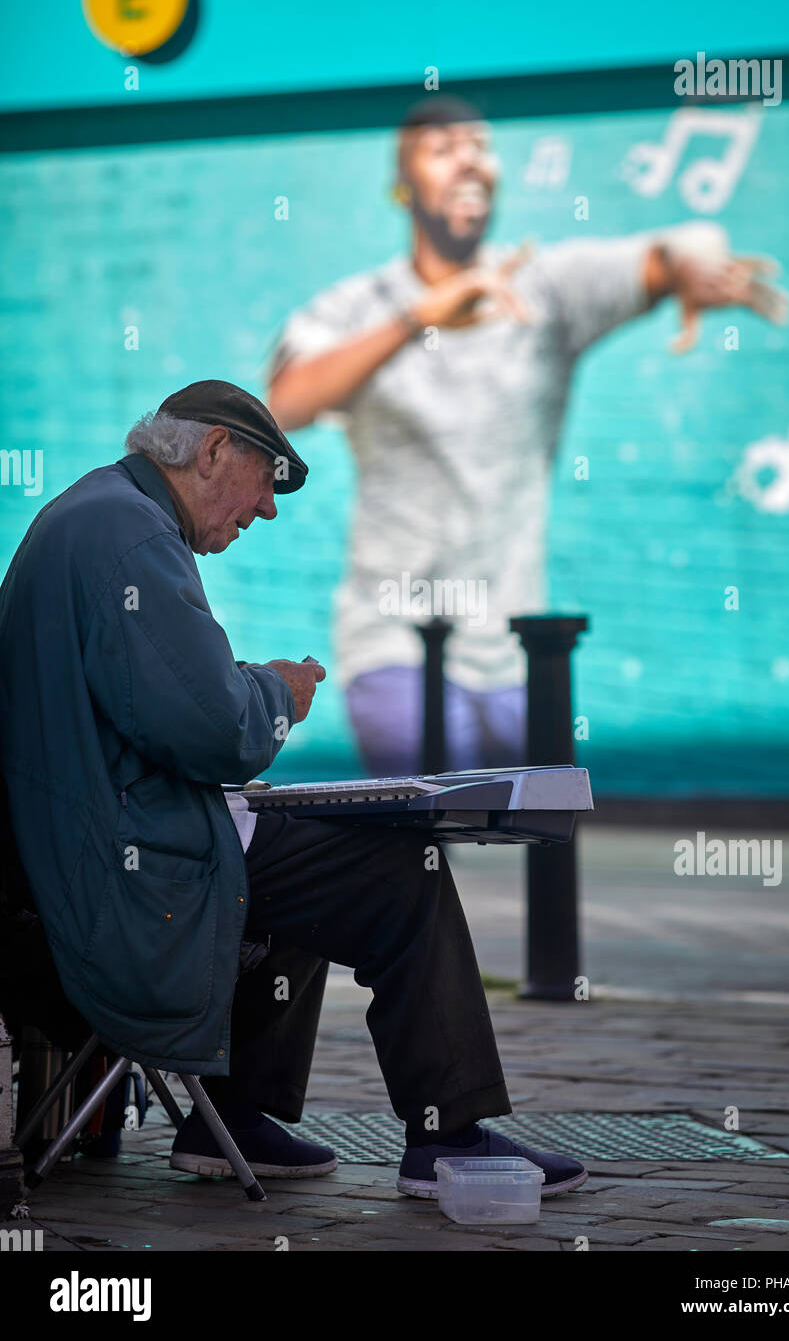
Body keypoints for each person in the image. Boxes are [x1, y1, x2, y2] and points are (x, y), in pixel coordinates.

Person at [0, 379, 587, 1197]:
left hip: (83, 853)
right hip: (113, 881)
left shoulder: (99, 514)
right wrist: (277, 692)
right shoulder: (130, 536)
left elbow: (157, 703)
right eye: (265, 482)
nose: (267, 511)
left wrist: (244, 690)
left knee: (307, 843)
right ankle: (447, 1135)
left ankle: (229, 1118)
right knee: (396, 869)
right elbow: (215, 730)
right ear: (212, 452)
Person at [268, 96, 789, 776]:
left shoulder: (548, 290)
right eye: (442, 148)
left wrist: (696, 263)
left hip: (519, 648)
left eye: (480, 148)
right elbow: (284, 402)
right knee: (420, 847)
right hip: (395, 642)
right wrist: (413, 320)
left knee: (548, 844)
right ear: (403, 186)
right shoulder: (359, 307)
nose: (469, 161)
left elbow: (675, 246)